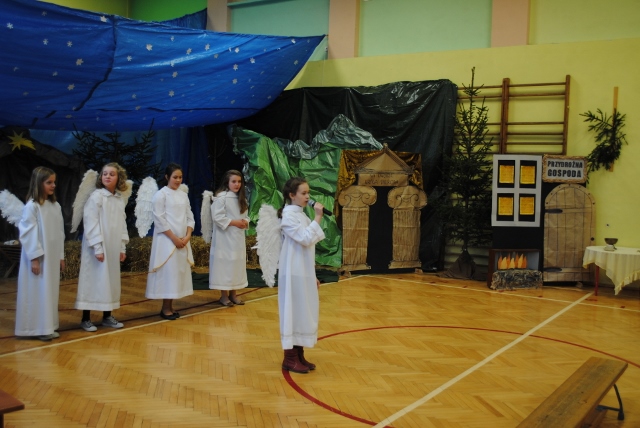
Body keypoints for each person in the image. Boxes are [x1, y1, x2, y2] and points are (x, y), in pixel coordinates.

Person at [278, 177, 326, 374]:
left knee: (303, 311)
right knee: (293, 311)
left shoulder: (301, 215)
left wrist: (311, 275)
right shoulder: (288, 216)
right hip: (293, 272)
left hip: (303, 271)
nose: (308, 197)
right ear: (292, 195)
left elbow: (308, 248)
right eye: (303, 193)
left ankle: (299, 354)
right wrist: (318, 217)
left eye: (308, 193)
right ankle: (289, 358)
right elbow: (305, 239)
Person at [76, 163, 129, 332]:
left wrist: (122, 247)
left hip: (112, 246)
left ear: (119, 178)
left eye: (112, 174)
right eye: (104, 173)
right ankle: (86, 318)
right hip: (97, 246)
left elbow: (122, 224)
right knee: (93, 279)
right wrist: (97, 247)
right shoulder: (97, 197)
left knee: (110, 280)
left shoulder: (119, 199)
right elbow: (90, 222)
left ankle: (107, 316)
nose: (107, 176)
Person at [15, 167, 66, 341]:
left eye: (54, 182)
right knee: (37, 291)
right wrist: (34, 258)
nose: (53, 185)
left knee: (49, 291)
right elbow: (28, 233)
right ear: (38, 183)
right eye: (49, 182)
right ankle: (36, 328)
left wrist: (60, 255)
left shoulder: (55, 206)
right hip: (38, 258)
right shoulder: (32, 206)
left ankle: (48, 325)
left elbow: (59, 233)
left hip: (51, 256)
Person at [145, 163, 195, 320]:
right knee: (168, 273)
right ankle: (165, 308)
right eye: (175, 177)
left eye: (180, 177)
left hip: (182, 240)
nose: (178, 180)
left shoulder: (183, 195)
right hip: (167, 240)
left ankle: (170, 306)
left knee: (176, 273)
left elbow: (190, 217)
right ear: (167, 177)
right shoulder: (160, 195)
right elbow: (160, 220)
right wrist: (174, 238)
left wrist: (187, 235)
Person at [208, 170, 249, 306]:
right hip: (224, 239)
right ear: (227, 182)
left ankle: (234, 294)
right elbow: (217, 217)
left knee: (236, 265)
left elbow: (245, 216)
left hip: (237, 239)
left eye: (239, 181)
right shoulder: (221, 198)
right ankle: (224, 295)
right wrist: (235, 222)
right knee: (225, 265)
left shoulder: (241, 199)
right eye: (234, 181)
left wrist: (245, 221)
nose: (237, 184)